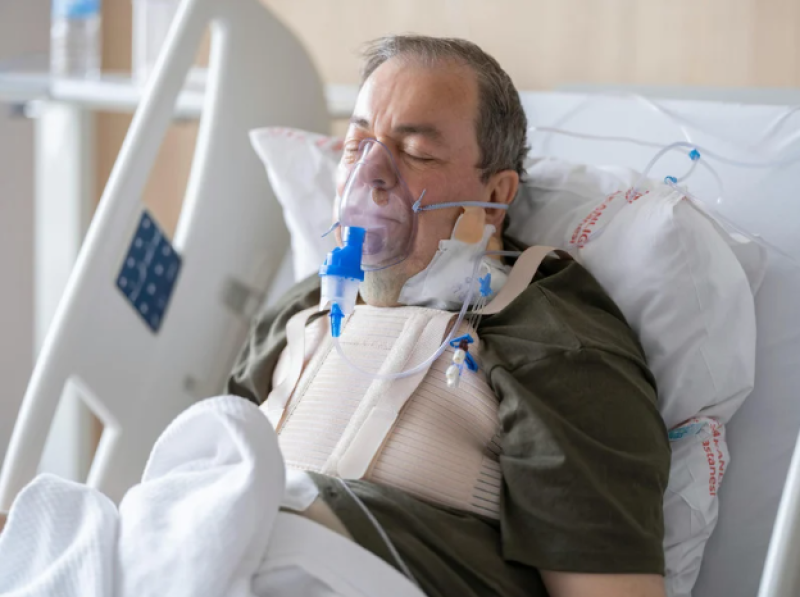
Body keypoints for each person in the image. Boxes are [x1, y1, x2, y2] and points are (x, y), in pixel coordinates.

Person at [228, 35, 670, 597]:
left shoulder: (556, 347)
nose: (371, 174)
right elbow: (203, 472)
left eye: (415, 151)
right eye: (358, 144)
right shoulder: (299, 313)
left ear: (496, 196)